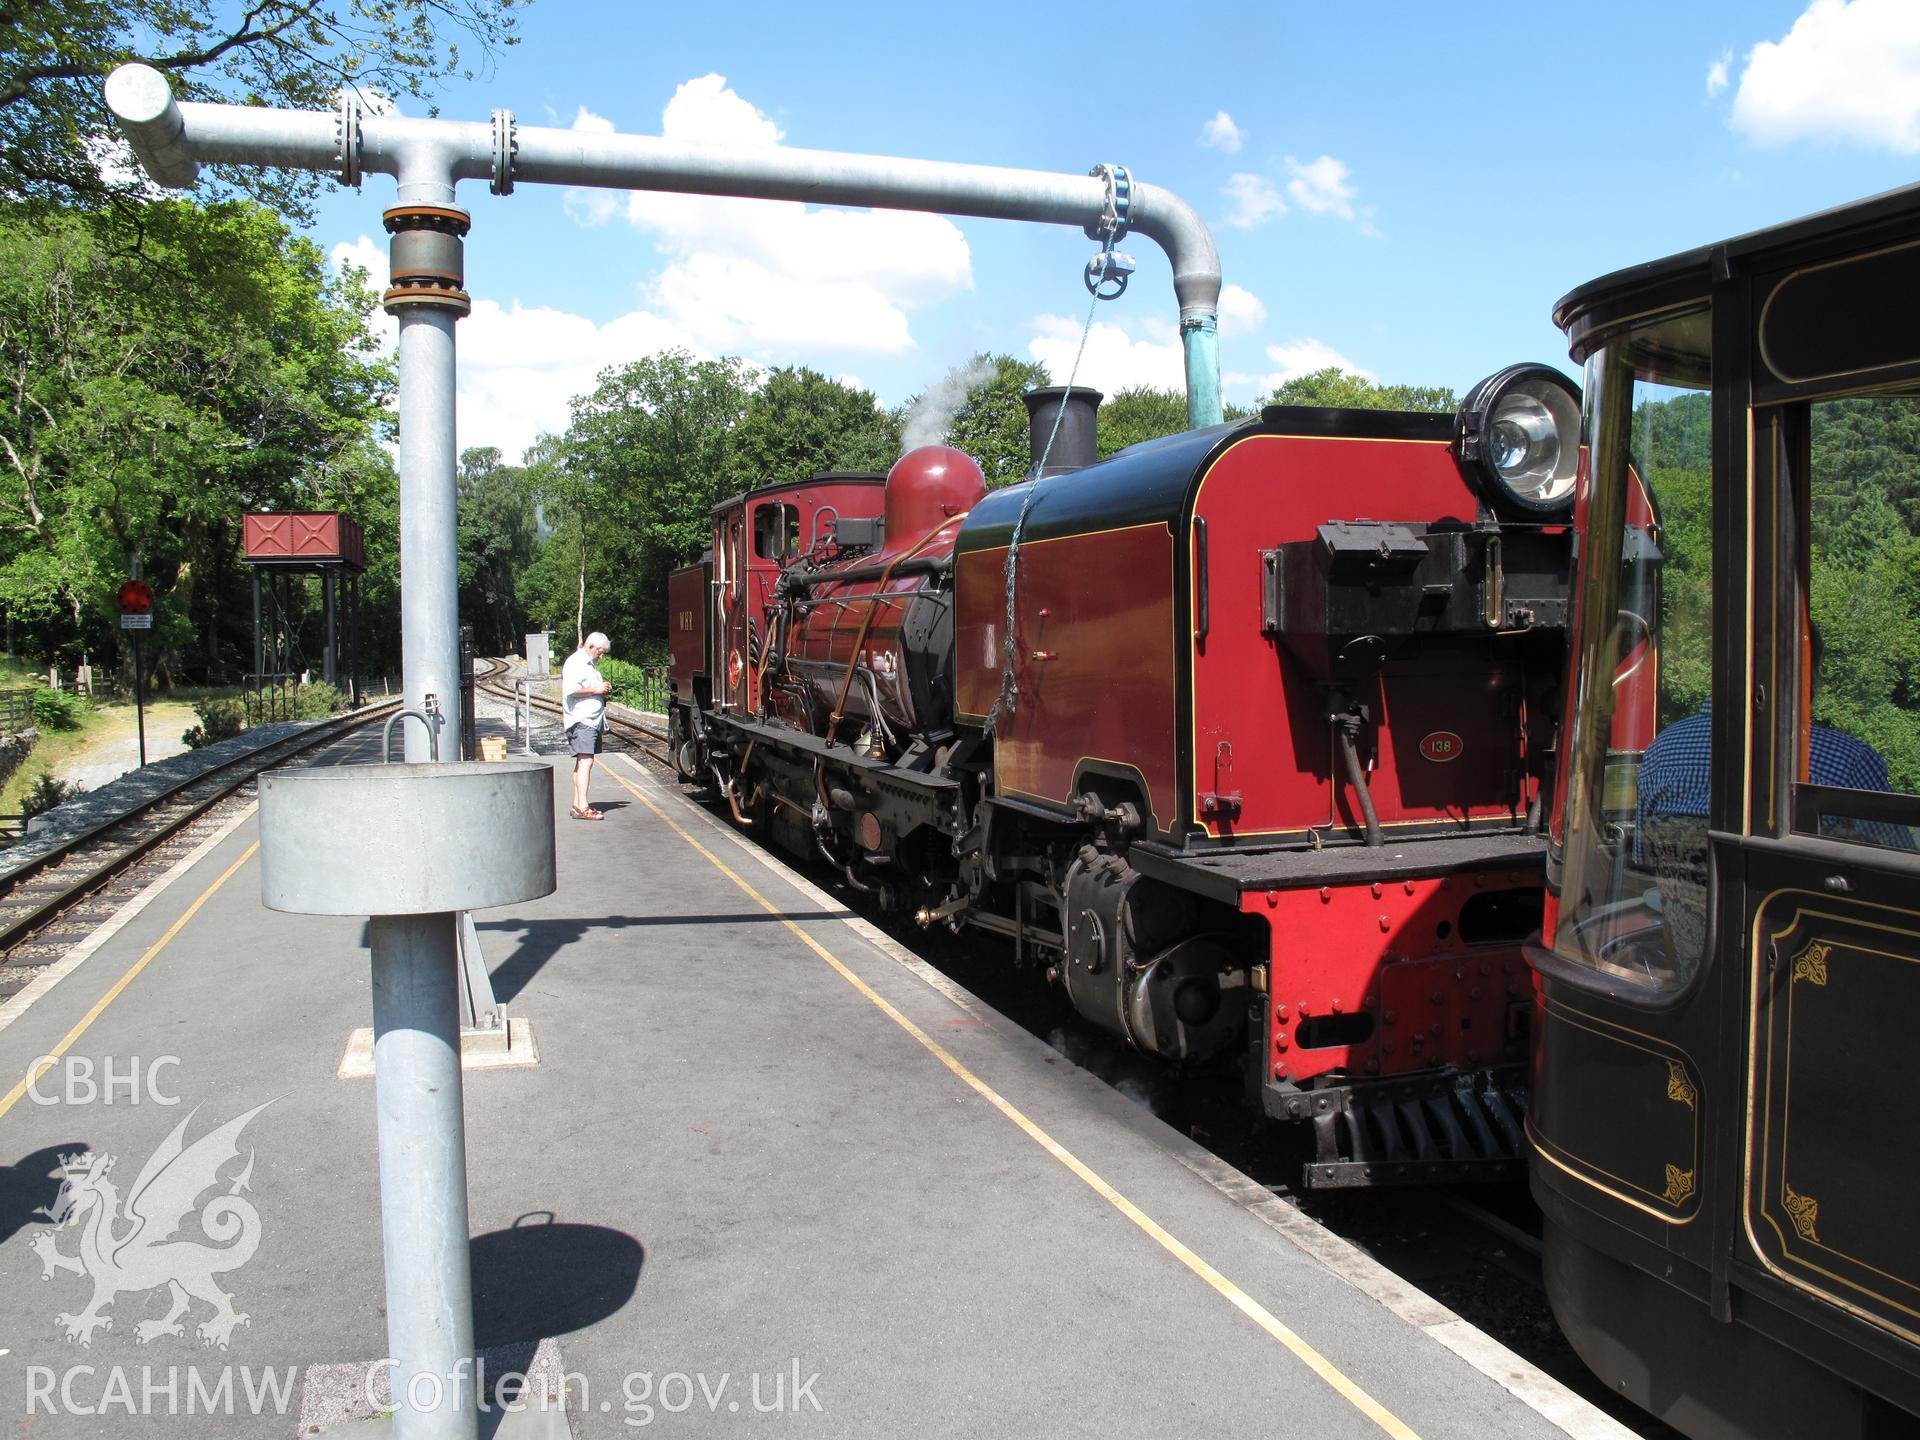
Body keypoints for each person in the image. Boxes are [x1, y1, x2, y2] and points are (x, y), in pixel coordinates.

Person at [561, 632, 613, 820]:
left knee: (582, 762)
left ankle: (577, 804)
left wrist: (602, 687)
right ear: (591, 647)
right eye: (600, 652)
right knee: (586, 761)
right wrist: (596, 689)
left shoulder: (588, 664)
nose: (602, 656)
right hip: (582, 719)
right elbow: (572, 690)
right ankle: (583, 806)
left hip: (589, 720)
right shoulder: (577, 662)